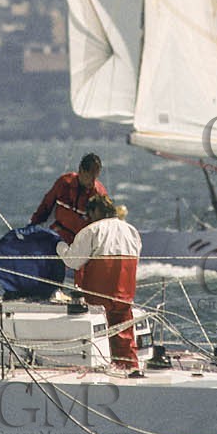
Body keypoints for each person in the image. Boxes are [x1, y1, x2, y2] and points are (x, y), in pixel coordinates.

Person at [57, 194, 142, 371]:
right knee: (124, 334)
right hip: (125, 293)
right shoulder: (132, 231)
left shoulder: (92, 230)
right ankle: (129, 367)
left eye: (89, 214)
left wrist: (60, 246)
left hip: (99, 293)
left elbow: (73, 261)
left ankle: (104, 368)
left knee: (99, 336)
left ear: (95, 211)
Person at [31, 153, 106, 244]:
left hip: (83, 243)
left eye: (96, 177)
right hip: (58, 235)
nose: (92, 182)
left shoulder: (99, 194)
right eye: (90, 176)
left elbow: (103, 225)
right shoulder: (64, 183)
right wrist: (32, 227)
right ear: (81, 170)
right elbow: (45, 207)